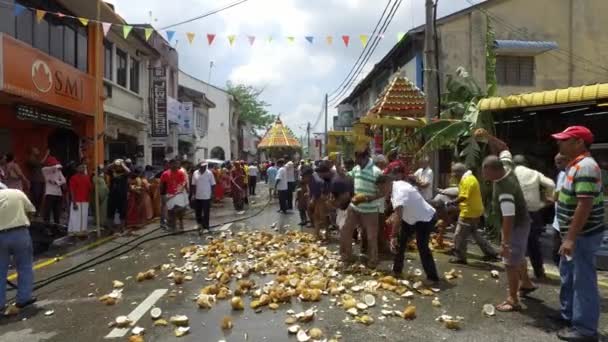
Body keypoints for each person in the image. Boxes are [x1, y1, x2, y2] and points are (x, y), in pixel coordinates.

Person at [551, 126, 604, 341]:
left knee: (583, 281)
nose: (559, 144)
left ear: (579, 143)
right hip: (572, 234)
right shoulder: (574, 166)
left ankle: (584, 329)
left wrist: (571, 237)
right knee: (568, 275)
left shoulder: (586, 167)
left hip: (583, 235)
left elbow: (584, 205)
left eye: (564, 140)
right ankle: (569, 315)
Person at [481, 155, 532, 313]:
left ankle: (513, 299)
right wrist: (489, 137)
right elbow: (503, 148)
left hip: (516, 225)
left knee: (510, 262)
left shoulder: (505, 190)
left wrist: (505, 242)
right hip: (523, 222)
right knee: (519, 255)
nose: (484, 176)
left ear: (493, 170)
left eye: (485, 172)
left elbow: (509, 217)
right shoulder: (508, 168)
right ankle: (526, 283)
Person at [384, 175, 440, 282]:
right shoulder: (397, 184)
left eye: (381, 188)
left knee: (422, 247)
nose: (381, 191)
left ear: (386, 184)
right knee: (400, 243)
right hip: (411, 219)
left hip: (424, 218)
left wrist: (393, 235)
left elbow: (398, 215)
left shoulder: (399, 192)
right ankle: (396, 270)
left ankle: (433, 277)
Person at [511, 154, 555, 279]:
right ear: (526, 164)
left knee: (516, 243)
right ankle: (539, 271)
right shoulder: (534, 173)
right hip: (533, 212)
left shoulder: (510, 174)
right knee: (533, 242)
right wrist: (547, 199)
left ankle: (518, 274)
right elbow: (551, 184)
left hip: (515, 212)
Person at [340, 149, 384, 269]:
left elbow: (383, 192)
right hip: (354, 207)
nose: (356, 161)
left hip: (370, 210)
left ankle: (373, 260)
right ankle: (346, 255)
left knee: (371, 237)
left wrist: (368, 198)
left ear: (365, 158)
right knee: (346, 229)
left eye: (358, 159)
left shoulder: (377, 172)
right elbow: (347, 178)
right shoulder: (356, 169)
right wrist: (339, 170)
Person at [448, 163, 498, 264]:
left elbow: (463, 196)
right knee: (475, 233)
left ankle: (460, 257)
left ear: (459, 172)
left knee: (459, 235)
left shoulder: (467, 180)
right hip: (475, 210)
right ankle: (491, 253)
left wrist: (451, 202)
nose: (453, 175)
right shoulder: (469, 178)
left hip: (469, 212)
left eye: (454, 172)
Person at [0, 188, 37, 313]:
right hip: (20, 232)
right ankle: (23, 299)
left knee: (0, 271)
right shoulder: (17, 193)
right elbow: (31, 210)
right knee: (25, 266)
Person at [160, 159, 189, 231]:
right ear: (170, 165)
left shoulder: (181, 173)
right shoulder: (165, 174)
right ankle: (173, 227)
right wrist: (162, 195)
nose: (175, 166)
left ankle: (181, 223)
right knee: (171, 211)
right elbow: (162, 185)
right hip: (169, 194)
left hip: (179, 194)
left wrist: (185, 191)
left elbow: (183, 183)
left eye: (176, 164)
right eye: (173, 164)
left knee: (180, 210)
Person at [552, 153, 569, 266]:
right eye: (556, 163)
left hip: (567, 221)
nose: (557, 165)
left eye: (559, 162)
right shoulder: (560, 174)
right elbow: (557, 193)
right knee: (555, 251)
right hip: (557, 221)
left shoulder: (572, 174)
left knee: (565, 254)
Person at [68, 163, 92, 238]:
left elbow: (90, 189)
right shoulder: (73, 178)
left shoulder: (87, 177)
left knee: (84, 217)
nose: (82, 168)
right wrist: (74, 201)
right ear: (77, 169)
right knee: (75, 217)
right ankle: (74, 231)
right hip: (77, 201)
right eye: (81, 167)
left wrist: (89, 199)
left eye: (83, 167)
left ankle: (82, 231)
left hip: (85, 201)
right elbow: (72, 190)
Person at [191, 162, 216, 233]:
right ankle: (199, 224)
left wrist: (212, 194)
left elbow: (213, 184)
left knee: (206, 212)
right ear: (199, 166)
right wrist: (193, 194)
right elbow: (193, 185)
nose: (204, 167)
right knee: (197, 212)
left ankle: (206, 227)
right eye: (202, 166)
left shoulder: (209, 173)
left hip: (206, 196)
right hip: (198, 196)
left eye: (205, 166)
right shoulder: (195, 173)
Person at [106, 159, 130, 232]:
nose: (118, 167)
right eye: (117, 166)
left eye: (119, 166)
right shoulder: (112, 172)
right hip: (112, 195)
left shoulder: (124, 173)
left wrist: (122, 164)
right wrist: (114, 163)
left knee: (122, 212)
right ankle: (110, 228)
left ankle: (121, 228)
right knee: (110, 212)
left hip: (122, 196)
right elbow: (106, 169)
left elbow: (128, 171)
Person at [41, 157, 65, 225]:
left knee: (57, 212)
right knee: (47, 212)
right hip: (49, 193)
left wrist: (57, 182)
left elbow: (63, 180)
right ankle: (46, 226)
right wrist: (56, 166)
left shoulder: (58, 171)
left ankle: (56, 226)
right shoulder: (44, 169)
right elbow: (54, 167)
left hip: (58, 194)